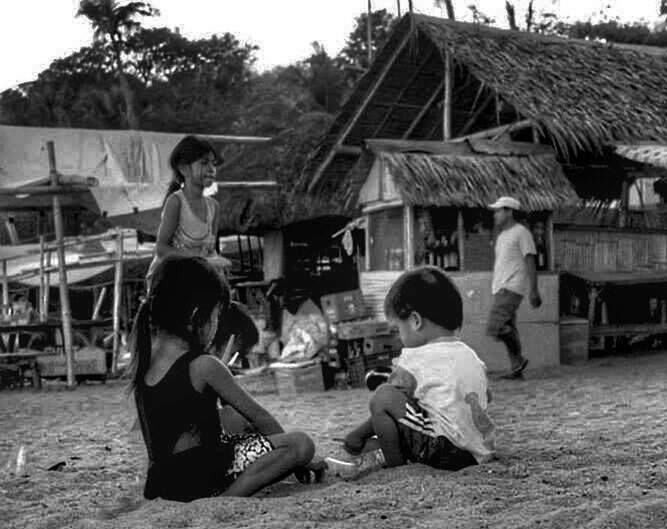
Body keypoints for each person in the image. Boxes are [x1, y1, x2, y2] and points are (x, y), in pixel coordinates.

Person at [130, 255, 321, 502]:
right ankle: (228, 498)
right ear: (198, 315)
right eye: (216, 316)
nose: (217, 325)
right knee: (300, 443)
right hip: (202, 476)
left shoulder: (144, 362)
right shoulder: (204, 366)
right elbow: (260, 417)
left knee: (235, 423)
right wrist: (296, 463)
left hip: (162, 484)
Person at [325, 266, 497, 479]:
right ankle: (382, 451)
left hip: (447, 452)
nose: (398, 336)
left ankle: (396, 466)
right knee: (406, 422)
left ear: (415, 321)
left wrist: (357, 435)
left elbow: (387, 406)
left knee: (382, 395)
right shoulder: (472, 356)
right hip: (479, 452)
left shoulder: (415, 358)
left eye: (398, 328)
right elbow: (486, 396)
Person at [146, 135, 230, 286]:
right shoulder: (176, 202)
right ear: (184, 169)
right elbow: (162, 249)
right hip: (168, 281)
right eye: (204, 163)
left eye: (213, 163)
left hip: (197, 277)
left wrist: (219, 269)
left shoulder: (214, 207)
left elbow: (210, 251)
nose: (211, 169)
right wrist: (203, 260)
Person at [486, 195, 541, 379]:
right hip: (500, 287)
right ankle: (516, 368)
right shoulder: (502, 236)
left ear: (509, 212)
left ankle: (519, 359)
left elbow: (530, 260)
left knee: (495, 327)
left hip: (511, 287)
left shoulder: (521, 232)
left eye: (498, 211)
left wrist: (534, 289)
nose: (495, 215)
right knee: (509, 327)